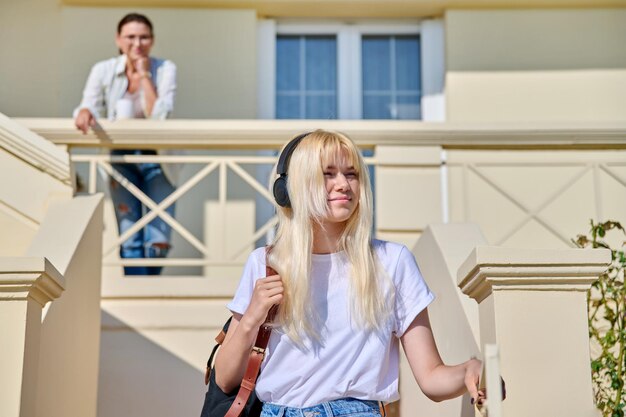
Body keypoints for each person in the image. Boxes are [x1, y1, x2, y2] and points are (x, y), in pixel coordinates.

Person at [213, 130, 490, 417]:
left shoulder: (391, 262)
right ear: (292, 188)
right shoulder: (265, 263)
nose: (343, 184)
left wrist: (471, 369)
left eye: (352, 174)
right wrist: (251, 320)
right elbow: (225, 378)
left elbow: (431, 377)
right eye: (327, 174)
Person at [74, 13, 177, 275]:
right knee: (129, 231)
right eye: (130, 36)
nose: (137, 43)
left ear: (152, 40)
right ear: (119, 40)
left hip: (158, 158)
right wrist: (84, 112)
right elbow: (88, 105)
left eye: (143, 37)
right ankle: (141, 291)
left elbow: (159, 115)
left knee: (158, 238)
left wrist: (144, 76)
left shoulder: (165, 69)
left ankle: (148, 289)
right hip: (118, 157)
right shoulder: (103, 70)